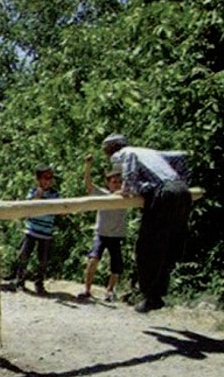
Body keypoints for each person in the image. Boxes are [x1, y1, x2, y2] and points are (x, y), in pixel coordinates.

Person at [102, 133, 192, 313]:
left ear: (112, 149)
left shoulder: (125, 153)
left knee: (146, 248)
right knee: (168, 246)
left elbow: (129, 166)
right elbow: (182, 156)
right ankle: (158, 293)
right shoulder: (149, 152)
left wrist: (126, 190)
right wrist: (183, 182)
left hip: (162, 195)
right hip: (182, 192)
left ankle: (152, 296)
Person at [77, 155, 126, 302]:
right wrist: (88, 166)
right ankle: (87, 289)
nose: (116, 184)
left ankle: (110, 291)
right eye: (114, 182)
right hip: (101, 234)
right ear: (108, 183)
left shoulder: (126, 195)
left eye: (119, 182)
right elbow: (88, 185)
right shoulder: (102, 194)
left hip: (116, 235)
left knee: (116, 265)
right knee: (93, 260)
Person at [12, 164, 59, 294]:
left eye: (50, 178)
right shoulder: (33, 192)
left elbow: (59, 209)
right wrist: (37, 197)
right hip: (31, 229)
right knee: (23, 255)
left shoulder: (55, 194)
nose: (48, 181)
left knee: (43, 260)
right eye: (45, 178)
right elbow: (28, 206)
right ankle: (19, 280)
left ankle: (39, 283)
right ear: (38, 179)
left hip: (46, 232)